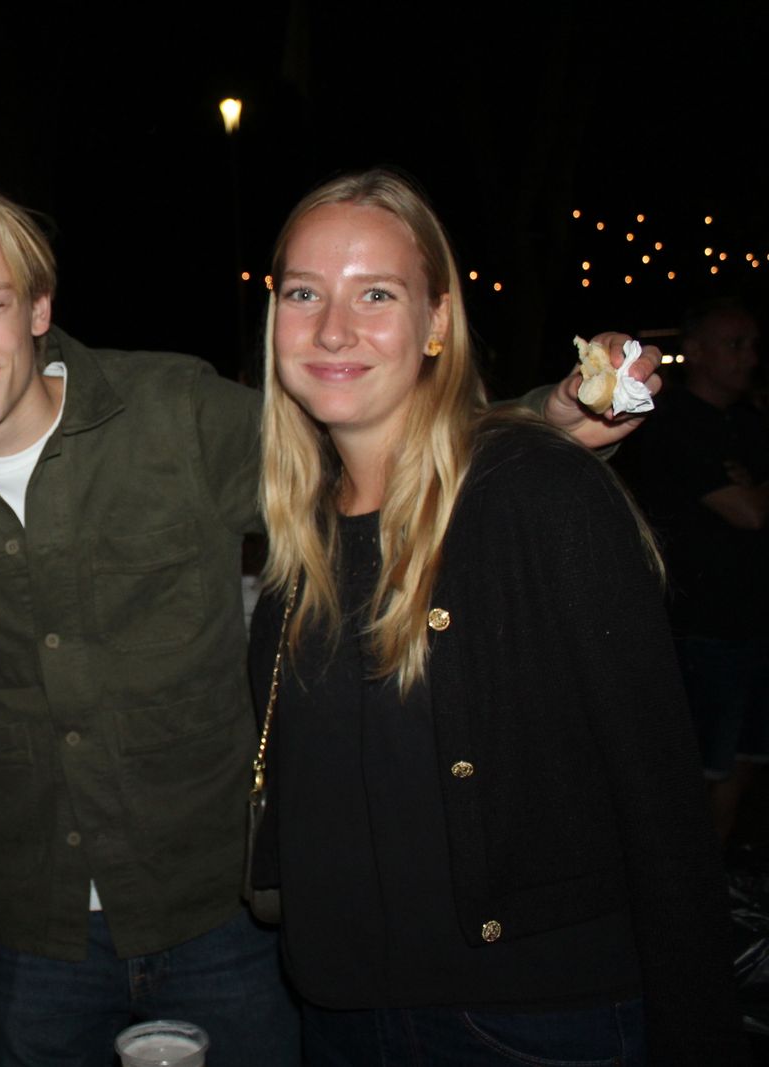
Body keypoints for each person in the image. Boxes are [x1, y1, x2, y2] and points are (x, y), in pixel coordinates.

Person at [0, 184, 668, 1067]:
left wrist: (547, 417)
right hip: (35, 939)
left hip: (225, 925)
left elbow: (367, 442)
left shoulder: (170, 411)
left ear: (39, 307)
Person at [247, 169, 742, 1064]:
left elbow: (663, 797)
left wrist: (697, 1034)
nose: (331, 328)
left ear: (438, 322)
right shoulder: (298, 537)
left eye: (377, 294)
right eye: (305, 293)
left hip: (533, 1023)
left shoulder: (535, 492)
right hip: (338, 1013)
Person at [628, 299, 769, 840]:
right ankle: (691, 898)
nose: (749, 357)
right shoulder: (670, 420)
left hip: (755, 618)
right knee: (699, 769)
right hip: (701, 624)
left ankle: (721, 885)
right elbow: (748, 511)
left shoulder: (751, 422)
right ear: (697, 350)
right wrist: (754, 491)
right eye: (735, 344)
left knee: (746, 757)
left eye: (754, 344)